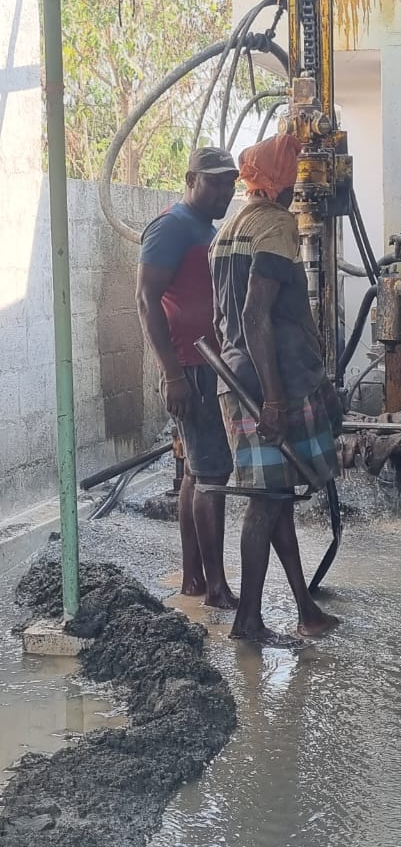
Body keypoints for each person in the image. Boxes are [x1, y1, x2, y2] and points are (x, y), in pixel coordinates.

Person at [209, 132, 342, 646]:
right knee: (266, 502)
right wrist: (274, 399)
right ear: (282, 182)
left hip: (238, 376)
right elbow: (253, 315)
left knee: (276, 496)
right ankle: (248, 622)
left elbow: (227, 318)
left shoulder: (230, 228)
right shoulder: (275, 224)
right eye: (295, 178)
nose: (296, 189)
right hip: (268, 383)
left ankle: (306, 610)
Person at [136, 147, 239, 606]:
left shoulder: (206, 230)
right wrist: (172, 373)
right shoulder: (172, 227)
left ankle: (195, 579)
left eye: (229, 182)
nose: (224, 191)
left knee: (198, 473)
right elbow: (146, 300)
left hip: (206, 365)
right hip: (193, 368)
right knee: (212, 474)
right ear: (190, 179)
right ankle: (216, 588)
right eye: (214, 181)